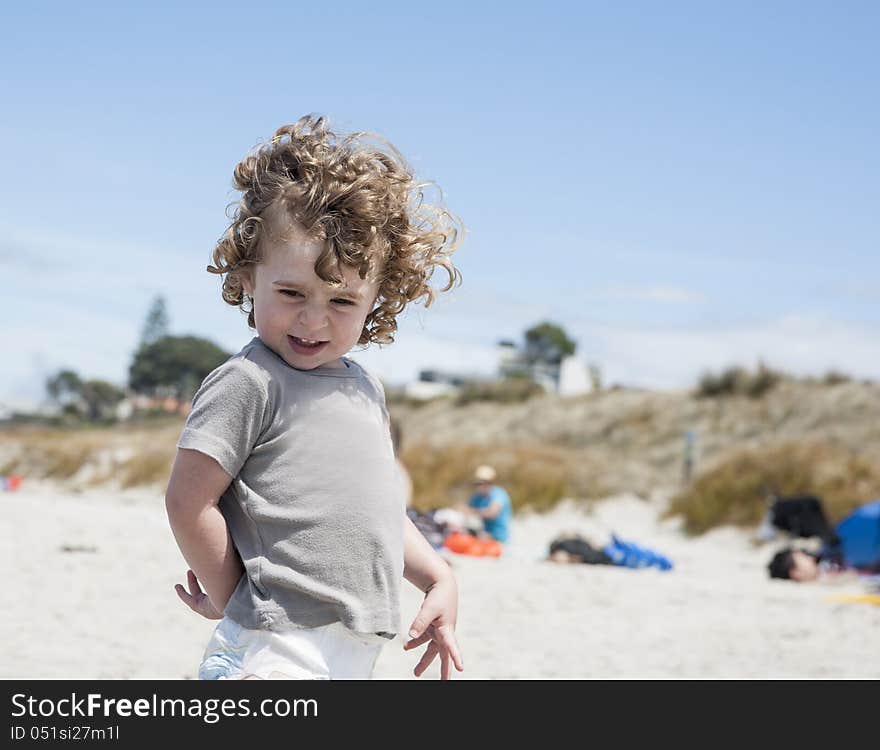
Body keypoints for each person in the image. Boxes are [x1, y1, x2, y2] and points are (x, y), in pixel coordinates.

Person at [165, 115, 464, 680]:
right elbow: (189, 501)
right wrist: (236, 598)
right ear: (249, 276)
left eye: (342, 302)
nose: (312, 319)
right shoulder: (250, 381)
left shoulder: (365, 389)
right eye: (291, 292)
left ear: (379, 298)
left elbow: (376, 511)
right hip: (274, 647)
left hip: (355, 648)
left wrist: (438, 576)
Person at [767, 500, 880, 583]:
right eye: (804, 556)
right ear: (796, 573)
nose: (810, 557)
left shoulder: (831, 547)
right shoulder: (831, 555)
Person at [458, 465, 512, 544]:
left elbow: (492, 513)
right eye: (478, 483)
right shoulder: (477, 497)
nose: (480, 486)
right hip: (483, 534)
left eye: (484, 482)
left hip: (498, 537)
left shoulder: (498, 494)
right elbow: (465, 510)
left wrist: (471, 511)